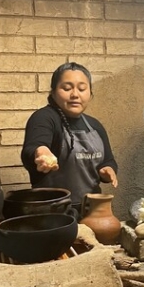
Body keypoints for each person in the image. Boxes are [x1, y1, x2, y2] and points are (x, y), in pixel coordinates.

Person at [21, 62, 118, 213]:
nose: (75, 94)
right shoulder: (44, 118)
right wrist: (41, 153)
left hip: (92, 210)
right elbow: (33, 147)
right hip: (53, 212)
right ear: (53, 93)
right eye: (67, 88)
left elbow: (108, 160)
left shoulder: (94, 125)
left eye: (82, 88)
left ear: (90, 93)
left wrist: (108, 170)